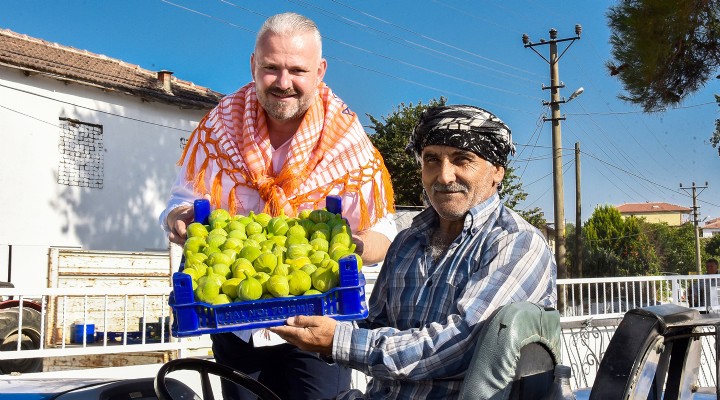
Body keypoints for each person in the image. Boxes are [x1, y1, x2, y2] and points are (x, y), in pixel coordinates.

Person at [159, 12, 397, 400]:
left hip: (317, 325)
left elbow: (385, 228)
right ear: (253, 65)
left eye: (297, 70)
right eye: (271, 68)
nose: (283, 83)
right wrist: (176, 218)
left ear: (320, 71)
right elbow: (181, 200)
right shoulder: (218, 128)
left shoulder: (347, 141)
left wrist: (357, 245)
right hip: (236, 323)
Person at [270, 105, 557, 399]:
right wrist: (307, 310)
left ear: (497, 172)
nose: (444, 176)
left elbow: (461, 344)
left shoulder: (516, 243)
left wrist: (340, 341)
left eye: (463, 160)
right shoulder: (406, 243)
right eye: (432, 159)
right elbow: (373, 326)